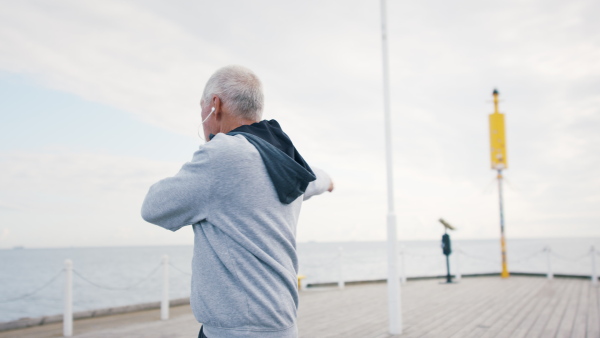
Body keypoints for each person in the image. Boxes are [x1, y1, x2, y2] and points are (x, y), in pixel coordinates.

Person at [141, 65, 333, 338]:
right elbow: (314, 181)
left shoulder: (222, 155)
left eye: (202, 108)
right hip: (282, 324)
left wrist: (207, 155)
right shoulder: (285, 159)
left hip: (236, 330)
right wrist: (329, 181)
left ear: (214, 105)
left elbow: (153, 207)